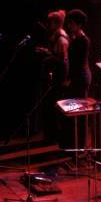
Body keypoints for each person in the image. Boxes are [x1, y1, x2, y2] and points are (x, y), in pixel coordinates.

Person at [57, 9, 92, 151]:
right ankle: (72, 143)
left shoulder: (83, 41)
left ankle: (80, 145)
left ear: (79, 25)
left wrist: (70, 80)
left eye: (71, 24)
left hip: (80, 78)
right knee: (72, 111)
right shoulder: (76, 39)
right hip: (76, 77)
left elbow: (78, 64)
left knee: (80, 112)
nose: (69, 26)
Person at [35, 9, 69, 143]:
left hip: (59, 79)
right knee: (50, 107)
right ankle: (51, 136)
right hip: (55, 78)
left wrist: (47, 55)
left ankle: (55, 138)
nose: (47, 25)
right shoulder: (56, 36)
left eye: (49, 23)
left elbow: (62, 61)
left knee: (54, 108)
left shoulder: (61, 39)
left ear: (56, 23)